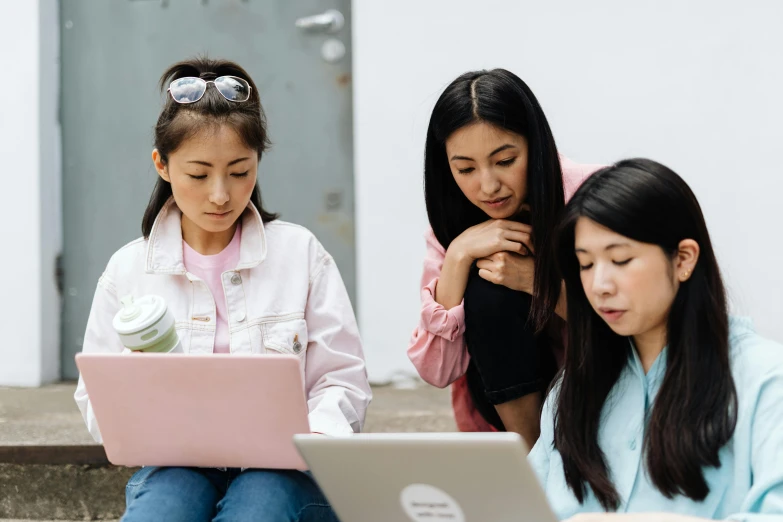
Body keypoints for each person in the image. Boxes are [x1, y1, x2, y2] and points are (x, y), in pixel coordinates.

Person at [74, 57, 371, 522]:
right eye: (198, 174)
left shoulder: (300, 255)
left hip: (281, 470)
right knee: (161, 512)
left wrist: (312, 436)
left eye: (239, 172)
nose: (220, 194)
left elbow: (343, 380)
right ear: (163, 165)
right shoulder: (128, 270)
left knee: (258, 509)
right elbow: (95, 399)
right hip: (177, 466)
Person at [531, 158, 783, 521]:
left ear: (683, 259)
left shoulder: (764, 381)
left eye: (620, 260)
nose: (599, 285)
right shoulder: (571, 390)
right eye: (585, 265)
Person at [407, 68, 603, 446]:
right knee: (485, 286)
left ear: (536, 145)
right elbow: (438, 370)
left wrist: (534, 282)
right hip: (510, 405)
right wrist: (459, 256)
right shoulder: (452, 231)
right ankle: (532, 460)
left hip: (602, 384)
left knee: (496, 280)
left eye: (505, 160)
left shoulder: (592, 197)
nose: (488, 186)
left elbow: (635, 329)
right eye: (465, 169)